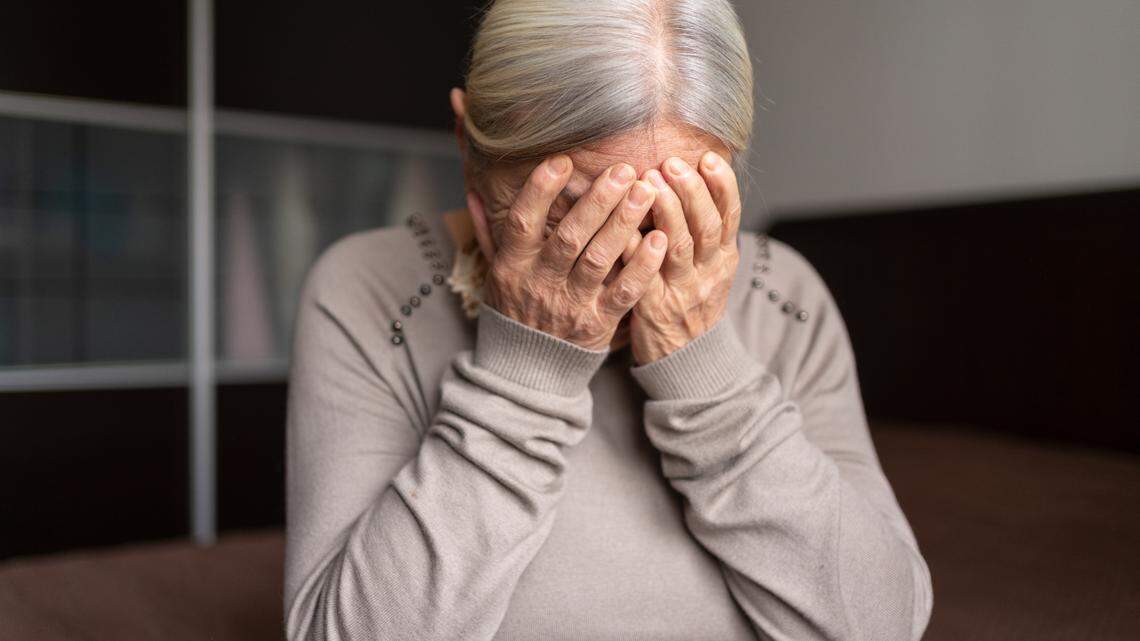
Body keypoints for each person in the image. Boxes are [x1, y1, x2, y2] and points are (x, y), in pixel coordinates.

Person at [284, 1, 933, 639]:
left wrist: (706, 368)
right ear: (468, 152)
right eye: (576, 212)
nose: (621, 260)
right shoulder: (366, 290)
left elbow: (880, 626)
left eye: (671, 209)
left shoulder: (785, 292)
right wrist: (525, 372)